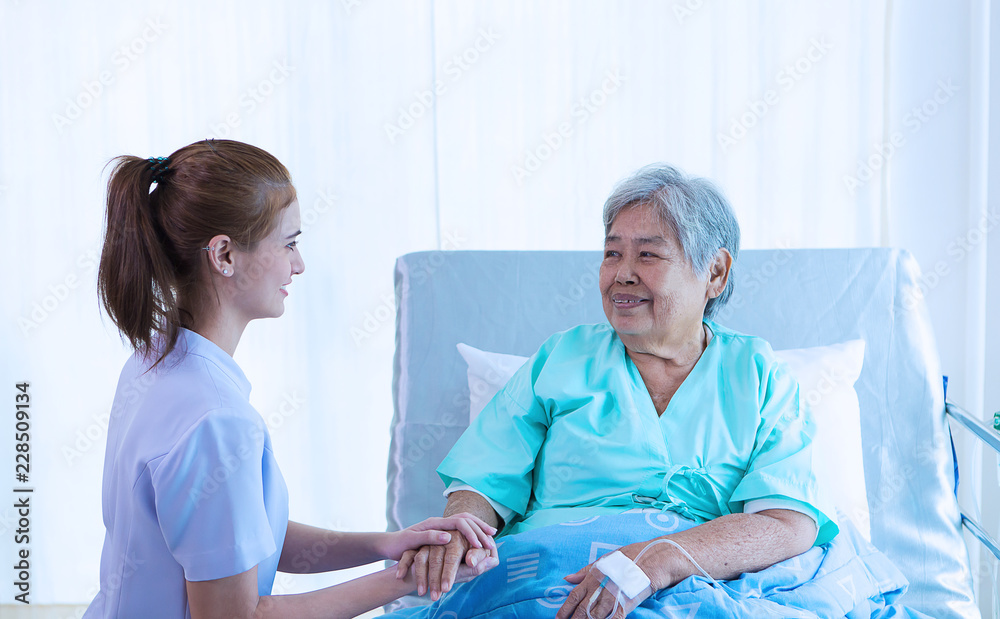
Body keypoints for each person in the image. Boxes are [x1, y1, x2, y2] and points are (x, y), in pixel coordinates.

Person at [399, 164, 838, 618]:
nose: (622, 275)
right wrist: (458, 533)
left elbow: (786, 524)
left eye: (648, 256)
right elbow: (482, 483)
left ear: (715, 273)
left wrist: (658, 559)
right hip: (556, 578)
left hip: (699, 580)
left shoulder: (758, 375)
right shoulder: (564, 357)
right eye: (612, 254)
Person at [85, 139, 497, 619]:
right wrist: (410, 579)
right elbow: (238, 616)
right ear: (224, 255)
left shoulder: (153, 359)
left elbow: (240, 544)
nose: (298, 264)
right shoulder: (217, 421)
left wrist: (387, 544)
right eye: (289, 243)